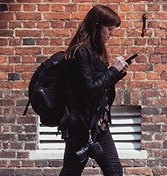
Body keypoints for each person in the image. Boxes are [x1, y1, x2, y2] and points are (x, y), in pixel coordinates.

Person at [59, 5, 128, 176]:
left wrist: (117, 74)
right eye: (109, 29)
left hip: (98, 123)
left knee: (114, 171)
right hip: (81, 126)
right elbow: (88, 89)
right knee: (71, 172)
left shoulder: (96, 51)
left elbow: (99, 84)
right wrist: (113, 71)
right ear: (97, 26)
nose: (111, 33)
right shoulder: (80, 52)